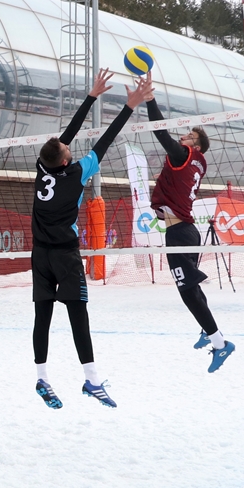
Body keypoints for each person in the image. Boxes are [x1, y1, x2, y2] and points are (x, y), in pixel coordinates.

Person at [31, 68, 152, 410]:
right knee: (77, 315)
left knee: (42, 317)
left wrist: (91, 96)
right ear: (67, 159)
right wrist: (129, 105)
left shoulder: (42, 169)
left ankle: (42, 376)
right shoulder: (77, 172)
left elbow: (62, 140)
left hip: (39, 255)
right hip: (66, 258)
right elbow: (106, 140)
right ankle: (93, 380)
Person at [143, 74, 235, 372]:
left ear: (196, 145)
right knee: (190, 291)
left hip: (180, 232)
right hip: (185, 230)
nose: (183, 136)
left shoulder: (185, 155)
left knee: (186, 291)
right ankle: (206, 328)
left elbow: (160, 133)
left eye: (189, 136)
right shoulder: (197, 163)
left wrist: (149, 100)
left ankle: (220, 343)